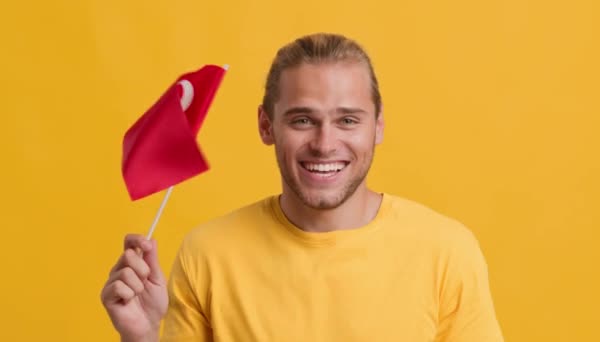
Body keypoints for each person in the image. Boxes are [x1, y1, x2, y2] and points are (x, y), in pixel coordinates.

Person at [101, 33, 504, 342]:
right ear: (266, 126)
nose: (325, 143)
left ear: (378, 126)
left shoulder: (446, 251)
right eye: (302, 120)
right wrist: (142, 337)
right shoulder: (206, 255)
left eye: (347, 120)